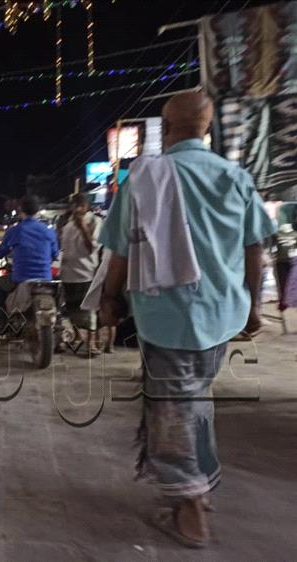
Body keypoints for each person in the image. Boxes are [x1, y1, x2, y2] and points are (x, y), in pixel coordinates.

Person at [99, 91, 275, 548]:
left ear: (166, 126)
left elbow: (120, 252)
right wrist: (253, 308)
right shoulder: (234, 177)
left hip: (167, 315)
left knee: (173, 407)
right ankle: (200, 484)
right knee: (195, 397)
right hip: (222, 314)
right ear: (208, 126)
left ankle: (189, 506)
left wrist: (109, 299)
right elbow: (254, 248)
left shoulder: (143, 179)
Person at [0, 196, 59, 335]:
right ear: (37, 211)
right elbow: (55, 254)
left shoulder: (15, 231)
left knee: (0, 285)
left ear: (21, 210)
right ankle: (59, 324)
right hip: (45, 277)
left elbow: (0, 253)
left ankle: (2, 325)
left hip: (21, 276)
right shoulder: (48, 231)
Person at [61, 193, 103, 355]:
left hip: (87, 272)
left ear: (86, 206)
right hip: (68, 273)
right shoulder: (68, 224)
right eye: (75, 205)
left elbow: (92, 248)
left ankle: (91, 344)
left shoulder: (95, 221)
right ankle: (77, 337)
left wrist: (83, 227)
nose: (77, 209)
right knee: (72, 309)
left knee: (89, 309)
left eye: (80, 205)